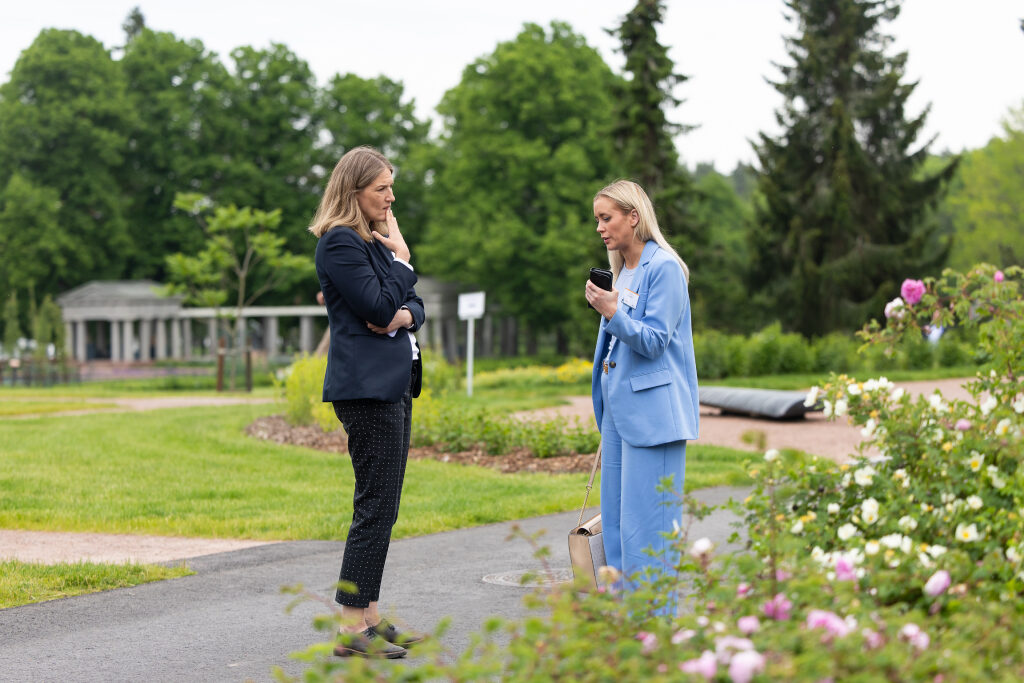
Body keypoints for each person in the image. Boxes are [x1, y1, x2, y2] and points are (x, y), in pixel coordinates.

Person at [309, 146, 426, 659]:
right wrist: (402, 261)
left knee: (385, 505)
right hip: (366, 389)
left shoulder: (372, 243)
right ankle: (351, 627)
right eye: (382, 188)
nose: (391, 197)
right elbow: (378, 305)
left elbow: (408, 304)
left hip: (392, 385)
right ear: (354, 190)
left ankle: (370, 617)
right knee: (375, 505)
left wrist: (404, 312)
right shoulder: (339, 242)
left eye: (391, 187)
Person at [583, 180, 700, 611]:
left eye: (606, 218)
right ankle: (625, 618)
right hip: (619, 413)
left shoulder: (663, 267)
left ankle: (655, 624)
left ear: (634, 217)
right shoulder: (623, 270)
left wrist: (611, 311)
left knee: (650, 527)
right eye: (597, 219)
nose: (600, 227)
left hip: (654, 415)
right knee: (616, 525)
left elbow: (654, 341)